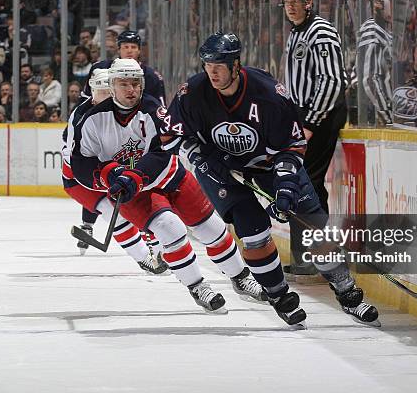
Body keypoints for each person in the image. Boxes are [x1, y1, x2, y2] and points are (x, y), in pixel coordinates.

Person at [161, 32, 379, 325]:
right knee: (252, 234)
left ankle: (348, 293)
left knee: (314, 227)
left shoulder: (269, 95)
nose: (212, 71)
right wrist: (199, 157)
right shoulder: (193, 93)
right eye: (208, 64)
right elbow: (170, 135)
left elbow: (292, 146)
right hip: (220, 171)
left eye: (220, 64)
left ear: (236, 64)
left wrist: (286, 187)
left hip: (269, 164)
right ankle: (278, 295)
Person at [71, 58, 265, 312]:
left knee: (212, 229)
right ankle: (197, 285)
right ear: (112, 85)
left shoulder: (153, 108)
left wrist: (134, 175)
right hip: (133, 195)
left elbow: (162, 151)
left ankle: (240, 278)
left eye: (135, 83)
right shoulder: (93, 120)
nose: (131, 90)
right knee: (170, 229)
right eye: (124, 84)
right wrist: (109, 175)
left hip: (171, 178)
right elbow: (81, 165)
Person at [61, 68, 167, 270]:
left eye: (108, 93)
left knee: (145, 203)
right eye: (101, 92)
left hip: (114, 172)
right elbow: (75, 158)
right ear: (93, 93)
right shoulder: (83, 116)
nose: (107, 97)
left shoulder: (124, 111)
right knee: (114, 212)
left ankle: (156, 248)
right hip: (81, 180)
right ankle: (144, 258)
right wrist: (109, 171)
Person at [280, 0, 348, 273]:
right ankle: (305, 256)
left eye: (296, 1)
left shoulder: (320, 30)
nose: (291, 7)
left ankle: (315, 257)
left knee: (309, 184)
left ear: (310, 2)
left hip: (321, 116)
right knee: (300, 182)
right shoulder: (297, 33)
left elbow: (333, 82)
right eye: (287, 2)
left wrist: (310, 122)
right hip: (303, 116)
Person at [81, 30, 166, 107]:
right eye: (125, 47)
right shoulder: (100, 68)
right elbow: (85, 98)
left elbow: (160, 108)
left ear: (139, 51)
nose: (129, 51)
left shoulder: (151, 76)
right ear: (118, 50)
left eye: (133, 47)